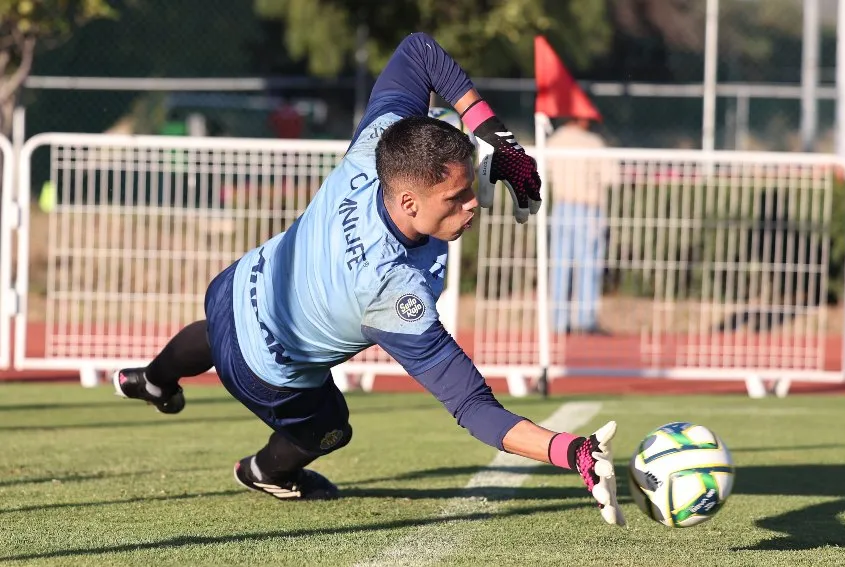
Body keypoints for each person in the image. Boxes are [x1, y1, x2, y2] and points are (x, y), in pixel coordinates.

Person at [112, 32, 624, 526]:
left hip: (238, 284)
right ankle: (264, 471)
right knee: (331, 429)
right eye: (457, 198)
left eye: (472, 190)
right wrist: (569, 449)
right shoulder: (392, 293)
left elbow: (418, 48)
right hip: (260, 367)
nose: (473, 206)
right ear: (408, 202)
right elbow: (471, 405)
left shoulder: (378, 146)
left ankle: (154, 377)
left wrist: (494, 136)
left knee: (218, 328)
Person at [548, 109, 618, 334]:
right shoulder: (594, 143)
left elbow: (544, 173)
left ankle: (558, 322)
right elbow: (611, 178)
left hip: (562, 206)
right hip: (589, 208)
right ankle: (585, 321)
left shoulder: (554, 141)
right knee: (589, 267)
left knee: (560, 265)